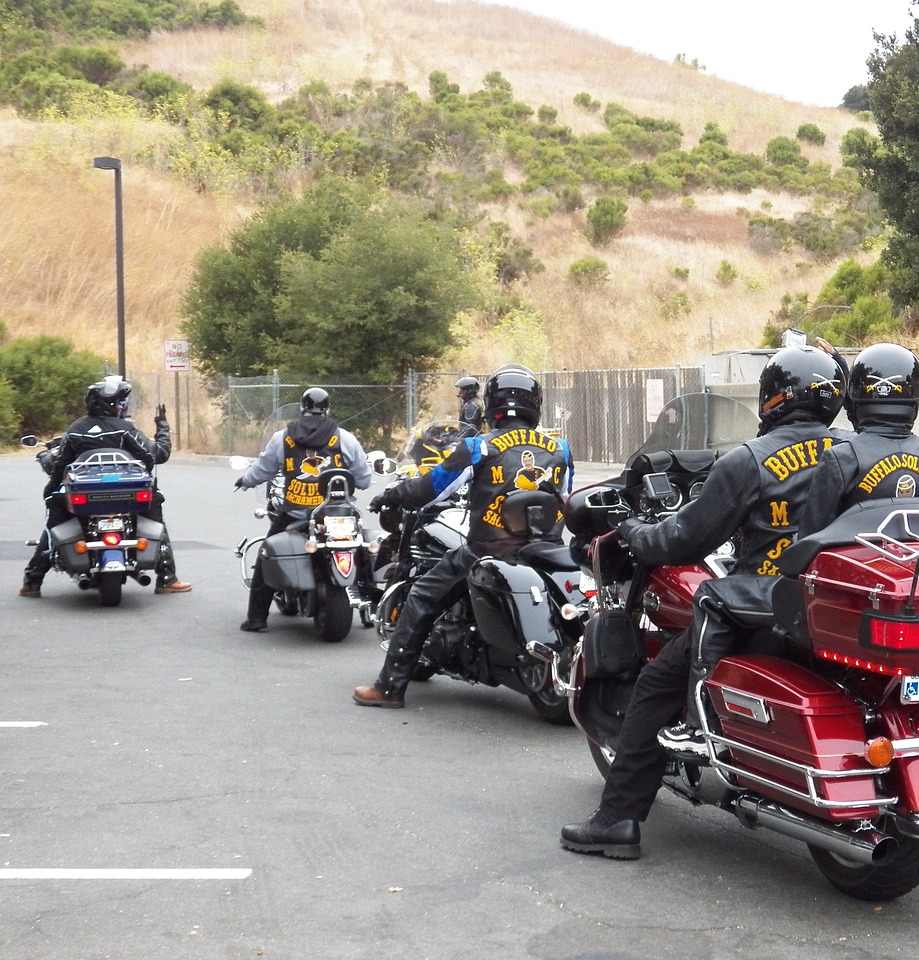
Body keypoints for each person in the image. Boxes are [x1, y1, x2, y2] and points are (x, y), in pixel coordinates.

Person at [559, 344, 848, 859]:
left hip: (757, 608)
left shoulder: (752, 459)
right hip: (830, 608)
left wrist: (632, 529)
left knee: (654, 685)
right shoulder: (854, 453)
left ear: (773, 396)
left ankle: (617, 820)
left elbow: (685, 540)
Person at [353, 364, 573, 708]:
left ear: (492, 403)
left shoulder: (478, 447)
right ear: (535, 404)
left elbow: (429, 489)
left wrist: (391, 495)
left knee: (423, 597)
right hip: (547, 550)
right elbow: (564, 496)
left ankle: (389, 688)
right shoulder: (561, 448)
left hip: (489, 550)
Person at [20, 377, 191, 597]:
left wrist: (50, 490)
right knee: (155, 520)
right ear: (108, 404)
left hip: (83, 497)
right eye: (120, 402)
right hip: (126, 495)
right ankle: (167, 578)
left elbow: (60, 465)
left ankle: (32, 582)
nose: (123, 406)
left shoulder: (76, 429)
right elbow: (155, 455)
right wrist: (162, 428)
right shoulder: (124, 429)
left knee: (53, 527)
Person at [234, 387, 373, 631]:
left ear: (302, 407)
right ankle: (370, 609)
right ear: (327, 409)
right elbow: (363, 479)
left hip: (295, 513)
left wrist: (246, 480)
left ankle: (256, 618)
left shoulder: (283, 437)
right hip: (337, 514)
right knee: (362, 548)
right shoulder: (344, 438)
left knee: (266, 554)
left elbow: (264, 468)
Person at [794, 342, 919, 539]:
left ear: (857, 397)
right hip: (917, 566)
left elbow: (808, 540)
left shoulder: (842, 459)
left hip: (853, 569)